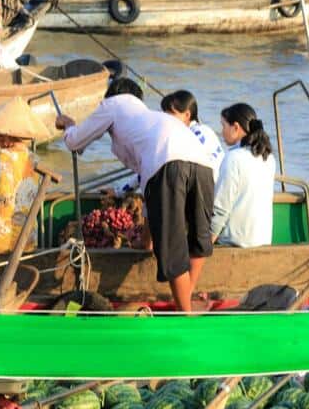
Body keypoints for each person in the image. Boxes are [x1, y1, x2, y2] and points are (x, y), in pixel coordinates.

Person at [57, 90, 217, 313]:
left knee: (173, 250)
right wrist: (146, 241)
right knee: (199, 240)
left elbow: (75, 142)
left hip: (168, 164)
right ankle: (186, 302)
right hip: (203, 165)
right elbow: (150, 191)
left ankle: (185, 315)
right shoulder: (149, 120)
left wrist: (69, 125)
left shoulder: (113, 103)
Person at [0, 96, 55, 253]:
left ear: (5, 136)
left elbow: (3, 195)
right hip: (27, 240)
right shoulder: (34, 159)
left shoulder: (5, 156)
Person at [211, 103, 277, 248]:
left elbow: (220, 209)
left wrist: (205, 243)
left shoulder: (233, 158)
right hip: (263, 241)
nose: (222, 132)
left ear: (235, 127)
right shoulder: (269, 158)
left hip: (234, 244)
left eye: (223, 126)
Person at [162, 89, 224, 168]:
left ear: (187, 115)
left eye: (171, 114)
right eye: (165, 114)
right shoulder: (206, 129)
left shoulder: (186, 137)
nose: (166, 118)